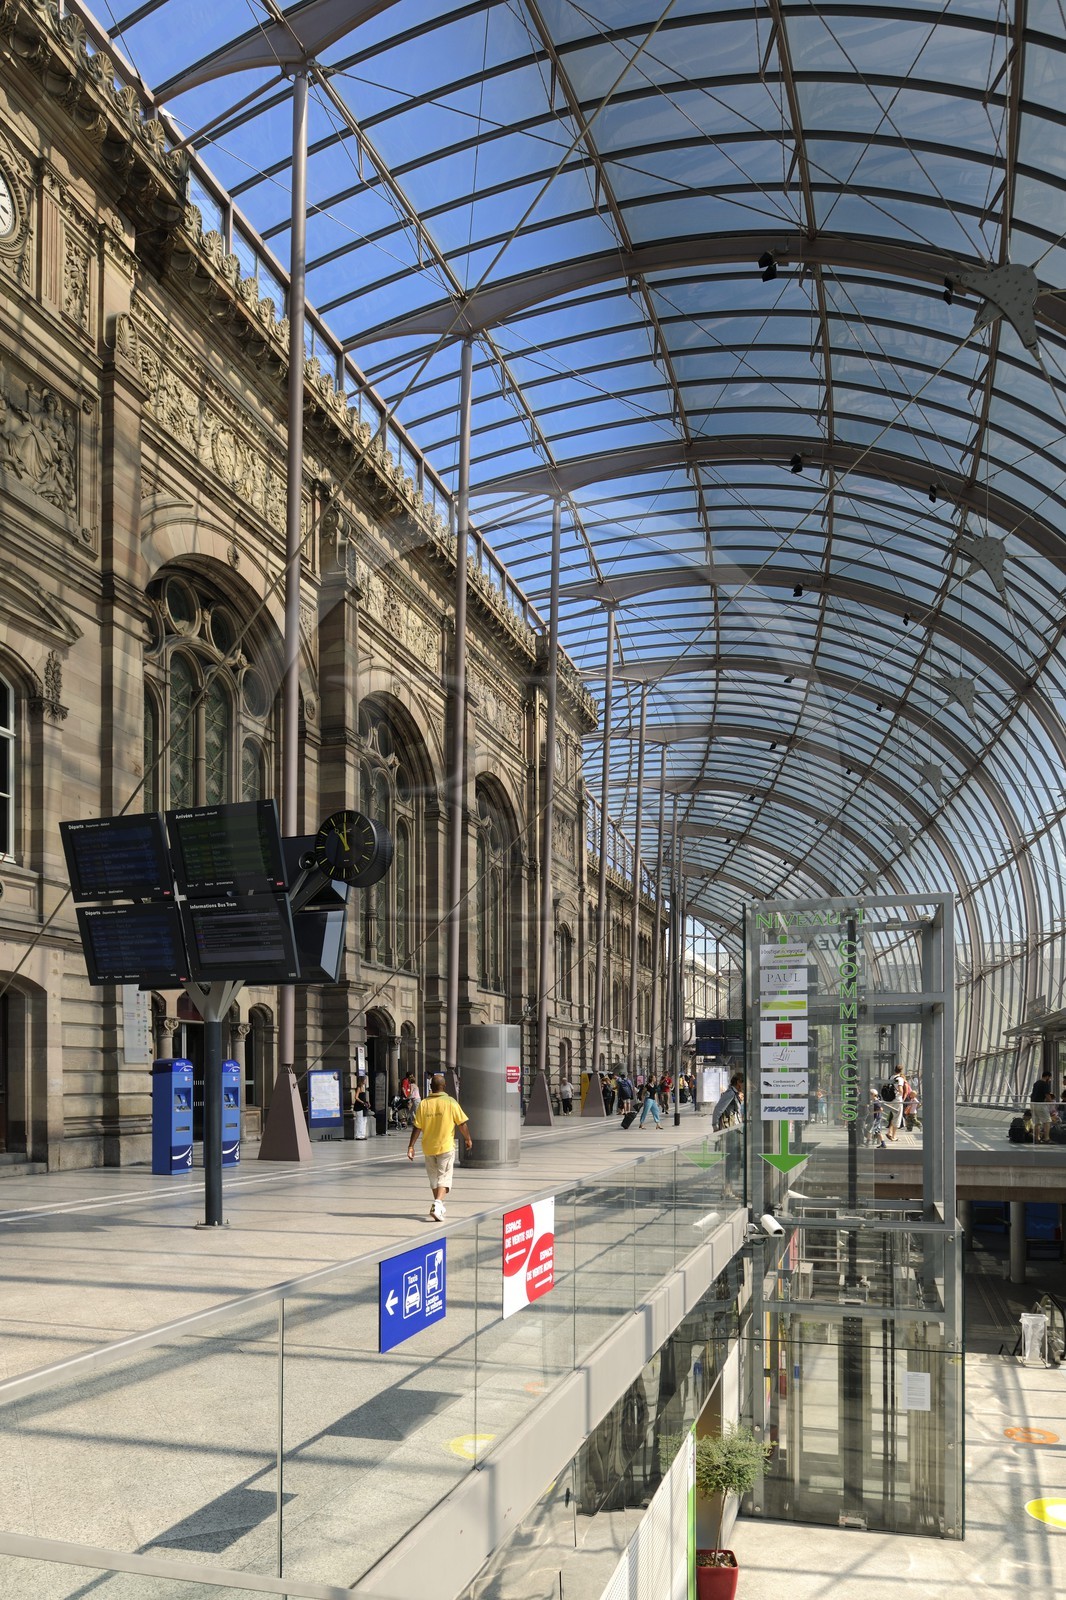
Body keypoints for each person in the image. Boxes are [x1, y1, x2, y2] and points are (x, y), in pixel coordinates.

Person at [407, 1072, 473, 1221]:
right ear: (444, 1086)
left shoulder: (424, 1103)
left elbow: (417, 1127)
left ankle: (439, 1207)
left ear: (431, 1087)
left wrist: (411, 1146)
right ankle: (437, 1204)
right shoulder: (451, 1102)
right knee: (444, 1177)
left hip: (429, 1148)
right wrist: (468, 1138)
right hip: (446, 1147)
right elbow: (462, 1123)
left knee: (434, 1179)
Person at [1030, 1068, 1054, 1144]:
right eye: (1049, 1078)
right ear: (1047, 1076)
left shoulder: (1036, 1083)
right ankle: (1046, 1139)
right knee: (1047, 1121)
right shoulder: (1045, 1084)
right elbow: (1047, 1095)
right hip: (1040, 1104)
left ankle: (1037, 1138)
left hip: (1033, 1104)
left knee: (1037, 1122)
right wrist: (1051, 1104)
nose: (1049, 1079)